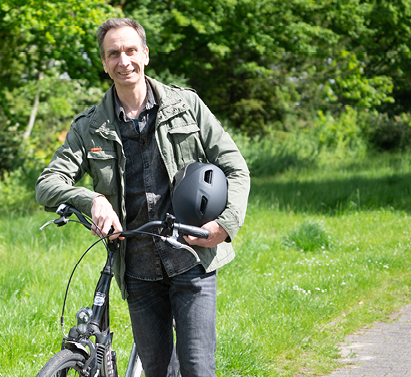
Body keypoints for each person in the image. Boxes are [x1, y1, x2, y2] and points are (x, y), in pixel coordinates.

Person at [35, 17, 250, 377]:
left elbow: (235, 167)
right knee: (157, 371)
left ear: (146, 54)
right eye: (114, 53)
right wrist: (92, 200)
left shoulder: (187, 106)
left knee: (198, 367)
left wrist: (225, 225)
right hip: (137, 270)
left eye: (131, 50)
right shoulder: (89, 126)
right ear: (104, 64)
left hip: (191, 258)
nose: (124, 61)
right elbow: (48, 182)